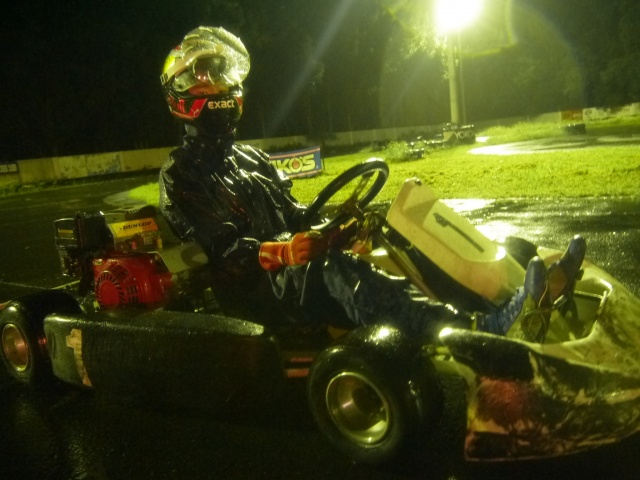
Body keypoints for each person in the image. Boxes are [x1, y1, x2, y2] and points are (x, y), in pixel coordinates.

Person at [158, 26, 585, 343]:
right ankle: (475, 332)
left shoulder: (251, 158)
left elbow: (296, 216)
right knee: (331, 268)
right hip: (252, 292)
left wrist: (338, 226)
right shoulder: (181, 174)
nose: (220, 84)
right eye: (207, 75)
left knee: (395, 231)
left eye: (223, 75)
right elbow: (224, 253)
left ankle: (512, 290)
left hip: (292, 271)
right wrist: (285, 251)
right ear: (182, 90)